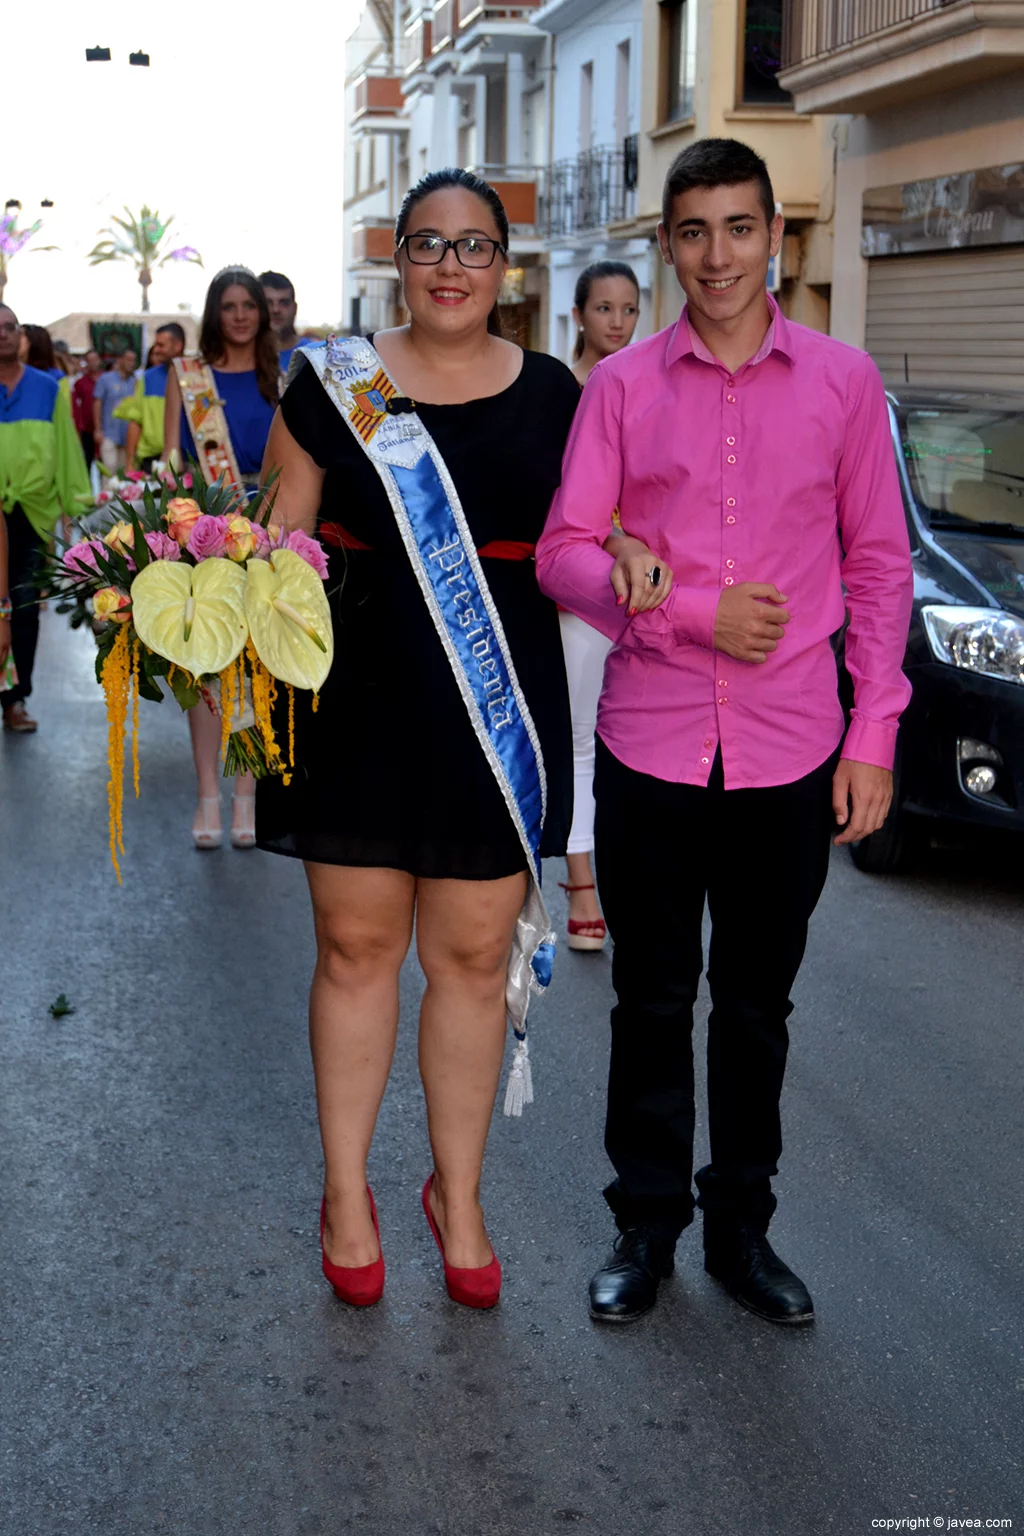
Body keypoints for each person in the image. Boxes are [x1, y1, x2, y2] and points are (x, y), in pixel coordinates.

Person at [536, 138, 914, 1327]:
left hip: (795, 746)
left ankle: (742, 1232)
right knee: (650, 1000)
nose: (717, 256)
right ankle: (645, 1227)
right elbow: (562, 554)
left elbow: (878, 565)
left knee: (756, 1006)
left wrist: (874, 735)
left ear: (776, 238)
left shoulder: (845, 385)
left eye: (739, 229)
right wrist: (693, 609)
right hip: (649, 743)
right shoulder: (621, 387)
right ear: (667, 248)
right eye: (693, 232)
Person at [256, 168, 576, 1309]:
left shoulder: (555, 393)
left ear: (505, 266)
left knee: (475, 961)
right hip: (355, 697)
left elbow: (587, 541)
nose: (450, 266)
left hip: (493, 709)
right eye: (427, 244)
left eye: (474, 247)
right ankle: (347, 1192)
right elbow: (277, 543)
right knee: (353, 948)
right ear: (397, 255)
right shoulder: (332, 384)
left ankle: (460, 1191)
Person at [164, 268, 278, 851]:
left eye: (249, 305)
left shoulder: (280, 379)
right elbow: (169, 462)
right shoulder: (188, 378)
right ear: (215, 313)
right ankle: (208, 791)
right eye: (228, 306)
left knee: (257, 667)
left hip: (267, 529)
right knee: (205, 664)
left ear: (262, 312)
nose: (239, 315)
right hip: (203, 528)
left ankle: (246, 795)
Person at [559, 261, 641, 951]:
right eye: (604, 308)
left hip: (650, 595)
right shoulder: (558, 393)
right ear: (579, 313)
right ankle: (581, 883)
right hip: (583, 590)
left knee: (635, 744)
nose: (617, 322)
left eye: (629, 310)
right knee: (582, 738)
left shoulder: (650, 385)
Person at [0, 303, 90, 732]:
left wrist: (74, 506)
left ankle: (15, 699)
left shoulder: (47, 387)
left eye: (10, 327)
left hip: (33, 514)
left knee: (24, 609)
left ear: (20, 335)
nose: (4, 334)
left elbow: (68, 448)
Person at [119, 322, 186, 471]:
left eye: (161, 345)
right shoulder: (148, 377)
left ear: (177, 346)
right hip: (150, 460)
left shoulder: (195, 376)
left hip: (185, 461)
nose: (156, 350)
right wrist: (130, 464)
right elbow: (136, 420)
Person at [93, 348, 138, 475]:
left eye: (133, 360)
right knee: (109, 469)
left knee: (125, 474)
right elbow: (97, 403)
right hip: (109, 433)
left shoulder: (135, 382)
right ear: (120, 360)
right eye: (129, 360)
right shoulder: (105, 379)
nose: (131, 363)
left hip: (127, 436)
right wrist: (98, 429)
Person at [260, 270, 302, 377]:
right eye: (268, 303)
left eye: (284, 303)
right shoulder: (241, 360)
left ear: (295, 309)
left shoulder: (314, 356)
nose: (276, 309)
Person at [72, 349, 103, 467]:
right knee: (86, 462)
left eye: (95, 359)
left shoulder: (106, 379)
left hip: (104, 428)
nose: (93, 363)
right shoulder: (80, 383)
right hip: (86, 430)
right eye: (89, 360)